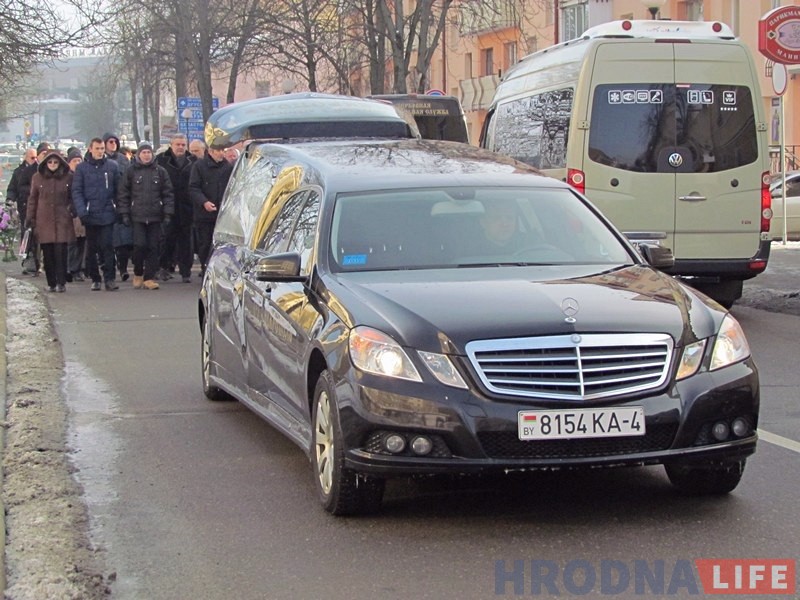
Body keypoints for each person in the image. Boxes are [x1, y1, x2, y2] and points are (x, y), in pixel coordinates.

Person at [117, 141, 174, 290]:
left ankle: (149, 277)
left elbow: (168, 193)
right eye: (144, 152)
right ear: (138, 155)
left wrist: (168, 212)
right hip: (137, 216)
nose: (146, 155)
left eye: (149, 152)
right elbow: (123, 193)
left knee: (153, 247)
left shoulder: (160, 172)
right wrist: (124, 213)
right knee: (139, 246)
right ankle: (138, 273)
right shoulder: (131, 171)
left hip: (155, 216)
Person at [73, 137, 121, 291]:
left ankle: (110, 278)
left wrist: (119, 208)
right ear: (90, 149)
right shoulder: (82, 168)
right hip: (90, 213)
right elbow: (77, 191)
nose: (100, 151)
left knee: (108, 246)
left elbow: (118, 190)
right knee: (92, 248)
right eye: (97, 148)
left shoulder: (112, 166)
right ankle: (95, 278)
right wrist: (82, 211)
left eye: (102, 149)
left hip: (107, 212)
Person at [25, 151, 75, 292]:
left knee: (61, 253)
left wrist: (71, 209)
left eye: (56, 162)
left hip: (62, 219)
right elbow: (32, 199)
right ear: (45, 164)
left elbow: (73, 196)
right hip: (44, 220)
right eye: (50, 162)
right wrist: (30, 218)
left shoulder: (68, 178)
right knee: (48, 255)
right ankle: (51, 283)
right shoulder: (38, 178)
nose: (53, 165)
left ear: (60, 163)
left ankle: (61, 282)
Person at [156, 134, 196, 283]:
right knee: (167, 239)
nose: (180, 147)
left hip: (186, 206)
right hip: (168, 205)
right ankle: (164, 267)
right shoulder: (161, 160)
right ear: (171, 145)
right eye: (177, 144)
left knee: (186, 241)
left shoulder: (192, 161)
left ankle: (186, 271)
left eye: (183, 145)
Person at [189, 145, 232, 278]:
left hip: (223, 214)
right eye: (218, 151)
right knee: (205, 244)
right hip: (204, 214)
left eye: (223, 150)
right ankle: (206, 267)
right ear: (211, 152)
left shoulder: (228, 167)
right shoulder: (199, 166)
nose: (221, 154)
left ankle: (220, 270)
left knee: (222, 244)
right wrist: (204, 202)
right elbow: (193, 188)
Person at [65, 148, 87, 282]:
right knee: (71, 243)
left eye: (79, 160)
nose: (77, 163)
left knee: (82, 243)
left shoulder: (85, 176)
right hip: (70, 214)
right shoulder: (66, 177)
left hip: (83, 213)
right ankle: (70, 268)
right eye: (74, 161)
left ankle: (79, 269)